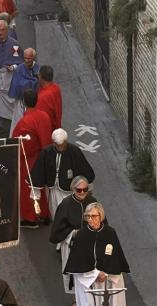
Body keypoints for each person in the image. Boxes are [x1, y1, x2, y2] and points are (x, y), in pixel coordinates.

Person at [64, 202, 130, 306]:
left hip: (108, 278)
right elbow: (78, 262)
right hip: (88, 280)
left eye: (94, 216)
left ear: (101, 217)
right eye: (88, 216)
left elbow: (116, 256)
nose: (91, 219)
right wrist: (95, 274)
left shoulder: (110, 233)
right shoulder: (81, 235)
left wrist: (106, 273)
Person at [49, 177, 97, 304]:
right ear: (73, 189)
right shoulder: (66, 205)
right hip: (72, 245)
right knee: (74, 274)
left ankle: (91, 297)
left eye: (85, 189)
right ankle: (76, 300)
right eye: (79, 190)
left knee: (91, 271)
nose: (82, 192)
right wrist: (72, 233)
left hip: (89, 245)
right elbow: (58, 229)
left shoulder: (92, 202)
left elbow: (101, 221)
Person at [31, 128, 95, 216]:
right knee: (56, 213)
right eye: (58, 145)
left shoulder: (75, 151)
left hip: (70, 191)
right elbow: (38, 174)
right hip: (53, 190)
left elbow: (84, 171)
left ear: (66, 141)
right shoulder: (46, 152)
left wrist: (89, 189)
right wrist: (35, 197)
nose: (60, 148)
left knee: (70, 213)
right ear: (54, 143)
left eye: (63, 145)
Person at [12, 88, 52, 228]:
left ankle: (31, 218)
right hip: (45, 156)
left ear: (23, 103)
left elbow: (20, 145)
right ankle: (45, 214)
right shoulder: (44, 116)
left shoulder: (24, 123)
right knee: (42, 187)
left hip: (30, 160)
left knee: (28, 190)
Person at [9, 47, 40, 131]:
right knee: (19, 121)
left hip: (33, 103)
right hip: (21, 101)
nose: (26, 60)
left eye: (29, 58)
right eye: (25, 58)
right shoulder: (19, 69)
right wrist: (32, 82)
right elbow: (17, 84)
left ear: (33, 58)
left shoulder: (38, 69)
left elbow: (39, 83)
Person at [36, 65, 63, 131]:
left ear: (41, 77)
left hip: (47, 131)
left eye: (39, 74)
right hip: (56, 127)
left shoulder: (42, 97)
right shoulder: (56, 88)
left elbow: (41, 121)